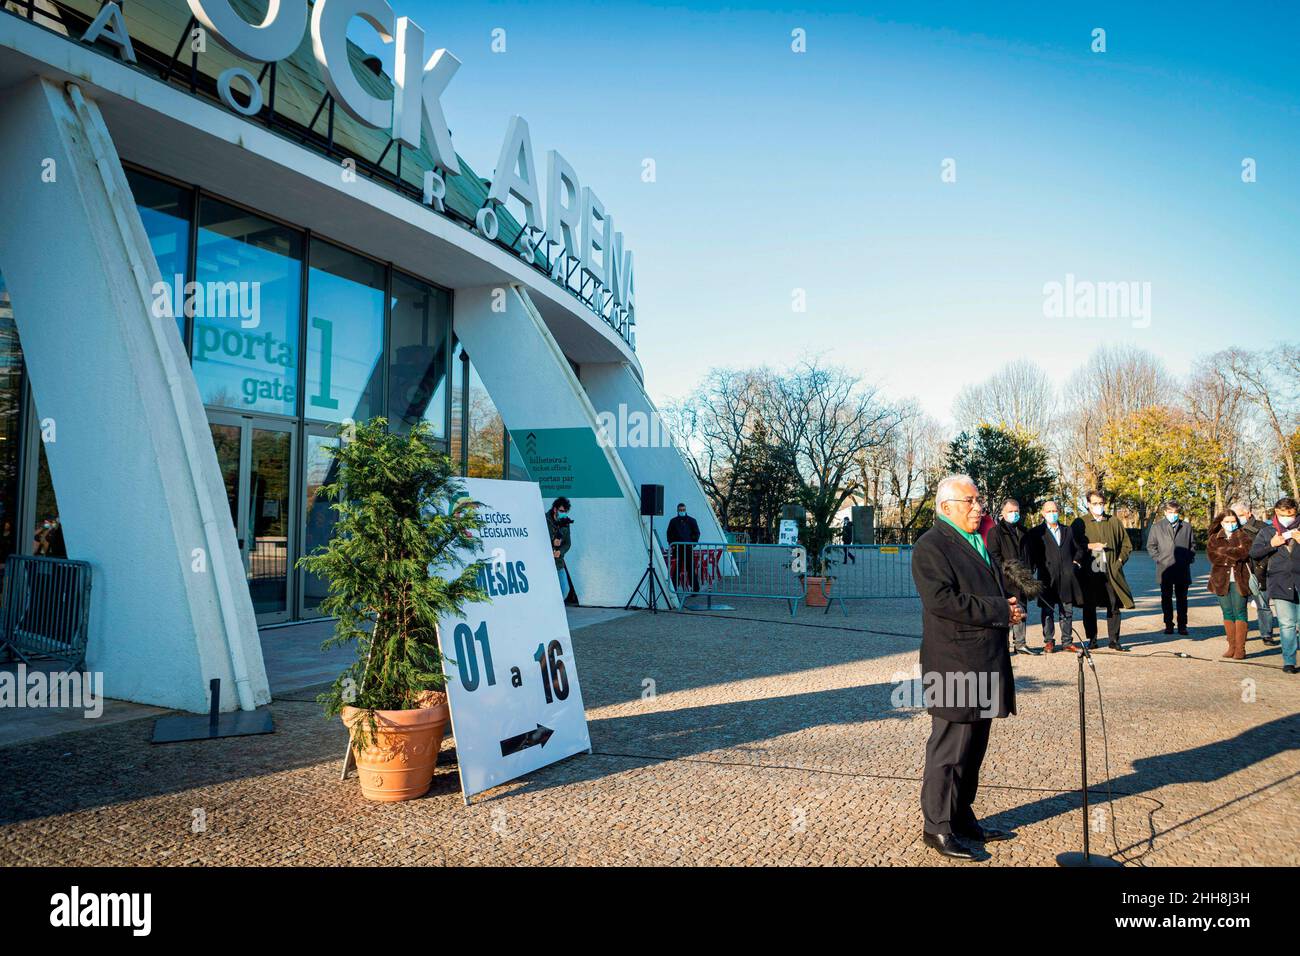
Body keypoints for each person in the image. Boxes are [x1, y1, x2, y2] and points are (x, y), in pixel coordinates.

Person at [911, 474, 1020, 861]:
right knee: (950, 747)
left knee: (974, 747)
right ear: (946, 507)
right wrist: (998, 610)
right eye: (970, 501)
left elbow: (990, 589)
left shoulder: (980, 540)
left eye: (979, 501)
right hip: (955, 662)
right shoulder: (931, 546)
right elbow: (942, 600)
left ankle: (962, 816)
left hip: (986, 658)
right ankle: (937, 826)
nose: (979, 507)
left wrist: (1011, 604)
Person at [1071, 490, 1134, 651]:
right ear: (1088, 504)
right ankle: (1092, 639)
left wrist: (1119, 562)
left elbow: (1127, 545)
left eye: (1101, 503)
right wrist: (1090, 546)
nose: (1098, 506)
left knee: (1113, 604)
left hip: (1111, 571)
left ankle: (1114, 640)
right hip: (1090, 571)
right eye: (1095, 503)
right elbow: (1073, 546)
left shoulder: (1114, 522)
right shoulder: (1079, 523)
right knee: (1089, 606)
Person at [1250, 496, 1300, 674]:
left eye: (1292, 515)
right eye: (1283, 515)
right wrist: (1271, 544)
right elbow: (1254, 553)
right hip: (1279, 582)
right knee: (1286, 624)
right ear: (1276, 513)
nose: (1288, 519)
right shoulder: (1267, 531)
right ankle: (1289, 661)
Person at [1026, 499, 1084, 653]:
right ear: (1043, 514)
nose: (1052, 514)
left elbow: (1079, 549)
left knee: (1067, 610)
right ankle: (1049, 641)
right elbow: (1031, 555)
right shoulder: (1036, 533)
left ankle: (1067, 641)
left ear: (1059, 512)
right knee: (1047, 611)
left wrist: (1076, 562)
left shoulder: (1068, 530)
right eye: (1049, 511)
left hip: (1066, 577)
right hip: (1047, 578)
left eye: (1054, 511)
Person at [986, 498, 1032, 655]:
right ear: (1003, 513)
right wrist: (1009, 570)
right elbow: (994, 555)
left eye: (1016, 511)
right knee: (1006, 611)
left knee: (1022, 610)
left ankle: (1020, 643)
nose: (1014, 514)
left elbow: (1028, 554)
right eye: (1011, 511)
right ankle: (1003, 645)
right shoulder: (995, 532)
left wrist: (1028, 571)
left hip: (1022, 578)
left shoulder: (1023, 531)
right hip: (1005, 579)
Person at [1207, 509, 1254, 660]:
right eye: (1227, 521)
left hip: (1240, 580)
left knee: (1240, 612)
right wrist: (1235, 552)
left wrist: (1225, 551)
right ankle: (1231, 646)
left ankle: (1240, 649)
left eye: (1233, 521)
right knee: (1227, 612)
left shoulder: (1243, 535)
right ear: (1221, 522)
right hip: (1220, 581)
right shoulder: (1214, 537)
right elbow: (1213, 557)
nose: (1230, 524)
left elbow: (1246, 553)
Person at [1146, 500, 1195, 636]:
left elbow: (1192, 545)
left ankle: (1182, 625)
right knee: (1166, 598)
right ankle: (1168, 624)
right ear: (1165, 512)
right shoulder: (1157, 527)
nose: (1173, 515)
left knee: (1182, 599)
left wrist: (1188, 558)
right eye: (1170, 512)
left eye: (1175, 512)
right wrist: (1159, 559)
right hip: (1165, 569)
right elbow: (1151, 546)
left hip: (1182, 569)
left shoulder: (1187, 527)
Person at [1233, 501, 1278, 646]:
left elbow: (1270, 550)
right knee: (1239, 606)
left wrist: (1263, 567)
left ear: (1248, 513)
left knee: (1263, 605)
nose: (1237, 518)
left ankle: (1267, 634)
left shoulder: (1263, 528)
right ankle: (1239, 635)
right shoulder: (1233, 528)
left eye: (1240, 515)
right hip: (1239, 572)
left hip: (1259, 571)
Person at [666, 502, 701, 592]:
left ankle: (695, 589)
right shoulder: (673, 521)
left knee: (691, 569)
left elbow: (696, 533)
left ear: (686, 510)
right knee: (676, 570)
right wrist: (672, 544)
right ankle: (674, 589)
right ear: (677, 511)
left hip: (688, 549)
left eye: (683, 510)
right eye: (680, 510)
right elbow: (669, 533)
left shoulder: (692, 520)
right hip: (677, 549)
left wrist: (693, 543)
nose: (682, 511)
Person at [546, 497, 574, 604]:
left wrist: (560, 551)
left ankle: (555, 609)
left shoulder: (565, 522)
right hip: (545, 563)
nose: (564, 514)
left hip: (558, 562)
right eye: (561, 511)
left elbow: (568, 543)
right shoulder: (545, 520)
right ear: (555, 509)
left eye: (565, 512)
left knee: (565, 590)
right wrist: (552, 543)